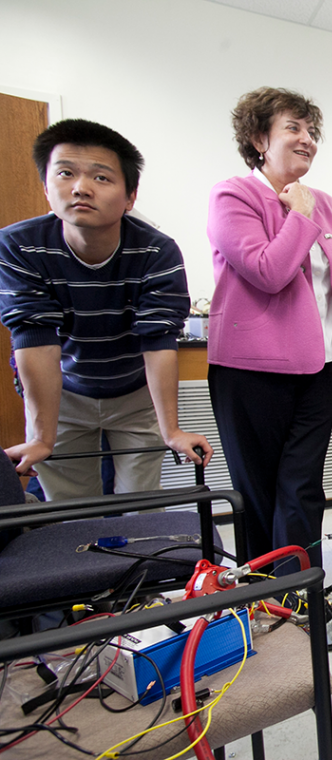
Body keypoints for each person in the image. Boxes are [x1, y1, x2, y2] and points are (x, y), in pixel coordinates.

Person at [206, 87, 332, 568]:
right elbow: (269, 271)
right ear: (258, 138)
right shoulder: (234, 195)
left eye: (311, 131)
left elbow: (322, 275)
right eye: (293, 128)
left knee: (302, 489)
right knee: (258, 493)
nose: (307, 139)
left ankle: (298, 595)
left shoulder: (322, 202)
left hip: (314, 368)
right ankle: (260, 592)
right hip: (250, 372)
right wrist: (299, 213)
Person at [0, 119, 212, 500]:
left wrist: (172, 432)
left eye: (101, 178)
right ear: (46, 187)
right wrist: (42, 436)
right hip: (64, 392)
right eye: (65, 173)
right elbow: (34, 338)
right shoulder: (19, 246)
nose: (81, 187)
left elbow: (159, 341)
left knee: (143, 503)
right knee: (69, 510)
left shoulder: (156, 251)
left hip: (134, 392)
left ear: (130, 196)